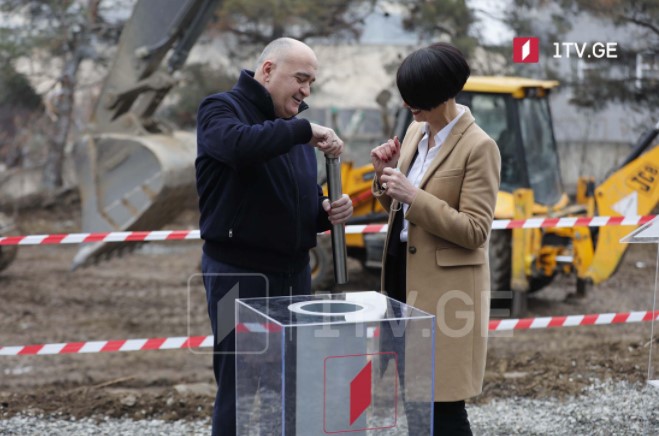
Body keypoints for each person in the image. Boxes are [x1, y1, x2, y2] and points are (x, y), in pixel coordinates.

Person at [195, 37, 353, 436]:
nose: (306, 90)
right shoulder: (220, 109)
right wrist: (302, 130)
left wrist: (324, 212)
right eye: (300, 78)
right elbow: (238, 146)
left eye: (311, 82)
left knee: (293, 384)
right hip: (239, 275)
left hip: (294, 276)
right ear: (267, 70)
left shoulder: (294, 127)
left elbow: (298, 195)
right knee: (240, 388)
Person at [370, 43, 501, 435]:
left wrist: (414, 195)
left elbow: (476, 230)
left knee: (442, 409)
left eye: (416, 97)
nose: (408, 104)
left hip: (447, 296)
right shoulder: (415, 131)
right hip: (401, 284)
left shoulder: (479, 146)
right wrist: (384, 177)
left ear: (444, 93)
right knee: (415, 404)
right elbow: (401, 213)